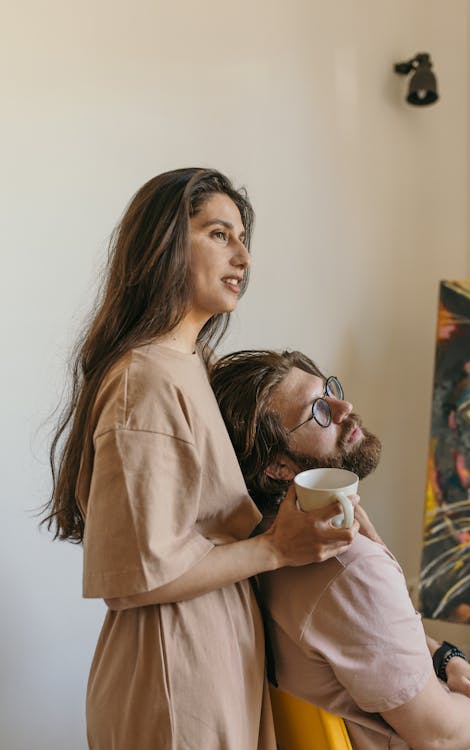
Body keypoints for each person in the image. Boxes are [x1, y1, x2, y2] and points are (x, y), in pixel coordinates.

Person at [42, 170, 361, 750]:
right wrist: (272, 548)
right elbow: (137, 577)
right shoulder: (146, 378)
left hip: (213, 654)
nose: (242, 255)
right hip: (173, 672)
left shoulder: (193, 364)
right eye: (219, 234)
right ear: (164, 244)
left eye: (243, 238)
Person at [211, 348, 470, 750]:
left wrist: (448, 659)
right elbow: (441, 735)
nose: (344, 406)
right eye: (319, 412)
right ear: (277, 468)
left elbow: (381, 639)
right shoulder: (348, 567)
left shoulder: (252, 546)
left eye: (330, 389)